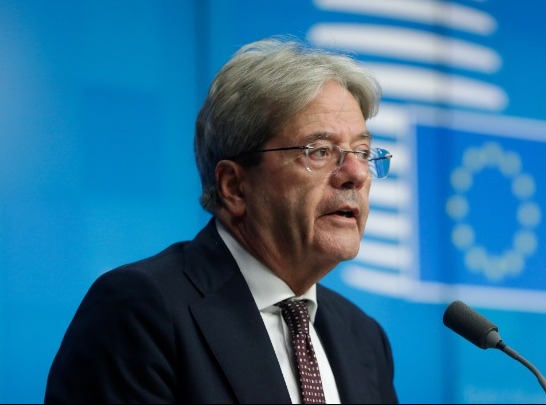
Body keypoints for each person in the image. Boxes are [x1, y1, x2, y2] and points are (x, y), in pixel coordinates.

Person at [44, 35, 398, 404]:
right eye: (320, 151)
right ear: (234, 186)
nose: (356, 173)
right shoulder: (140, 310)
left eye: (362, 151)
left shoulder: (363, 338)